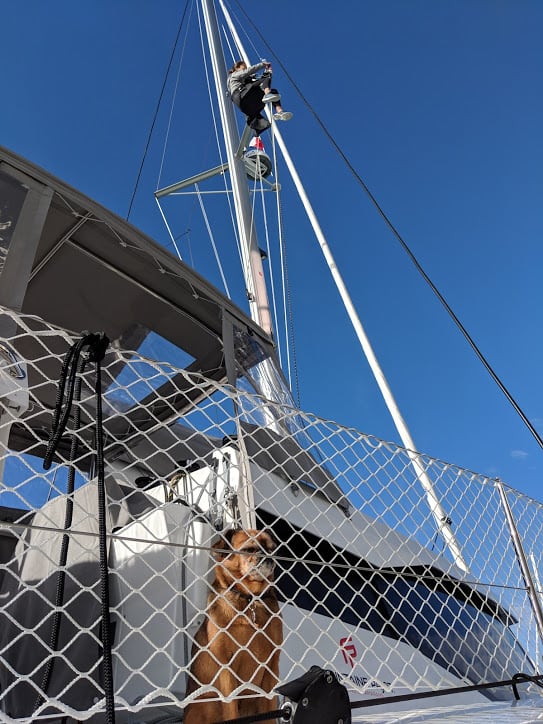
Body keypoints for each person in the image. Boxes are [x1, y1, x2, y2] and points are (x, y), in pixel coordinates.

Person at [227, 60, 292, 134]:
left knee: (273, 91)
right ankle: (267, 94)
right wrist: (262, 64)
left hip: (246, 105)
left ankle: (280, 111)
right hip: (241, 95)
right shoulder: (234, 75)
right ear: (237, 68)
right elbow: (249, 72)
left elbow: (261, 81)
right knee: (265, 81)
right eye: (243, 68)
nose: (245, 69)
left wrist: (268, 71)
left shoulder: (244, 80)